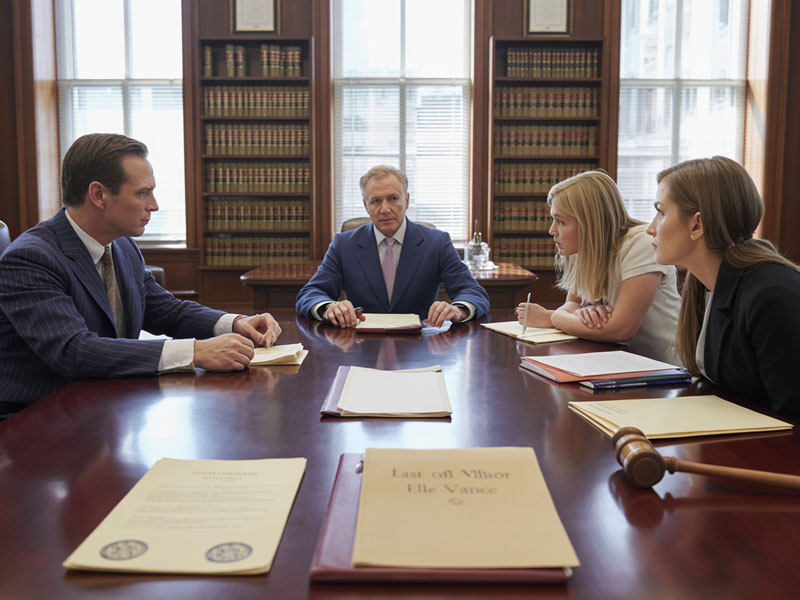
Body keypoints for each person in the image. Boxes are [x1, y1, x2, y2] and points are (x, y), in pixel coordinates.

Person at [0, 133, 282, 418]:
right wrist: (195, 352)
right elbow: (74, 351)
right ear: (98, 194)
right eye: (142, 193)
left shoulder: (122, 245)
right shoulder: (31, 258)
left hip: (105, 408)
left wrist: (234, 323)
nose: (154, 205)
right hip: (37, 422)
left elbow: (166, 311)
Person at [647, 156, 800, 417]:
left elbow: (793, 419)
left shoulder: (773, 295)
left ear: (697, 224)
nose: (651, 228)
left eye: (661, 212)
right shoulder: (701, 283)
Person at [517, 170, 681, 363]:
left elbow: (620, 330)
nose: (552, 230)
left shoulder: (641, 243)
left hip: (667, 371)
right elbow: (572, 304)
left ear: (590, 223)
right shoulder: (587, 250)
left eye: (560, 221)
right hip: (619, 363)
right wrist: (577, 313)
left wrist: (553, 317)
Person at [296, 165, 490, 327]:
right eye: (376, 201)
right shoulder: (344, 244)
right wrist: (329, 307)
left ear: (406, 200)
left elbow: (472, 292)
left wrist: (458, 310)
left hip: (419, 346)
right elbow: (310, 294)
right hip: (361, 346)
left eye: (393, 198)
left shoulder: (437, 243)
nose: (385, 209)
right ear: (366, 206)